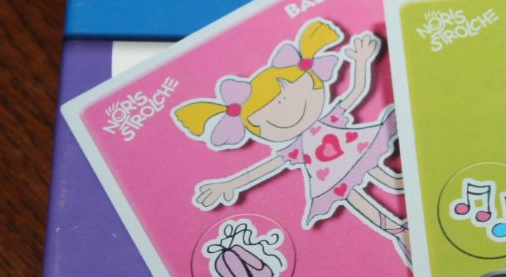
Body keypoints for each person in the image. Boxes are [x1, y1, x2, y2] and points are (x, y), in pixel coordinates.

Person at [173, 19, 409, 261]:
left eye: (288, 95)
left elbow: (356, 92)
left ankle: (415, 200)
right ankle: (397, 232)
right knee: (355, 198)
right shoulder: (297, 149)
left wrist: (361, 61)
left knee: (393, 181)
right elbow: (265, 169)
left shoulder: (331, 118)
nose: (285, 106)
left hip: (357, 148)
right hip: (330, 178)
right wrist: (229, 184)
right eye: (272, 110)